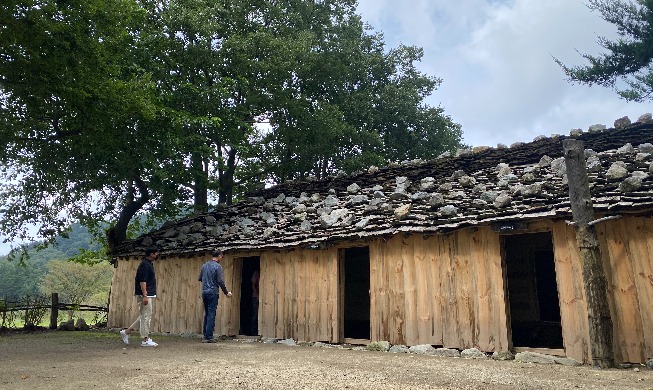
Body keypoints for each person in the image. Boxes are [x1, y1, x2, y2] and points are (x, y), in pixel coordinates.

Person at [120, 245, 159, 347]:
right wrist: (145, 295)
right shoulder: (145, 265)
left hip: (148, 293)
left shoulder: (149, 264)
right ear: (151, 254)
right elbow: (143, 281)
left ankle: (126, 332)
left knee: (144, 316)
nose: (157, 255)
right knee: (146, 317)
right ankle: (145, 340)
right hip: (145, 294)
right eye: (156, 253)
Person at [198, 249, 232, 343]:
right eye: (222, 256)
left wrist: (207, 282)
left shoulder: (204, 265)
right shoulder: (218, 267)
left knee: (207, 313)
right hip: (213, 292)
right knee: (211, 313)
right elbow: (220, 281)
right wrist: (226, 292)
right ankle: (209, 336)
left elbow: (200, 278)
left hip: (205, 291)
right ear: (219, 256)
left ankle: (205, 335)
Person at [250, 269, 260, 335]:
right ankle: (253, 331)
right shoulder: (256, 273)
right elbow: (253, 284)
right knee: (256, 314)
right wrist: (256, 295)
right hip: (255, 297)